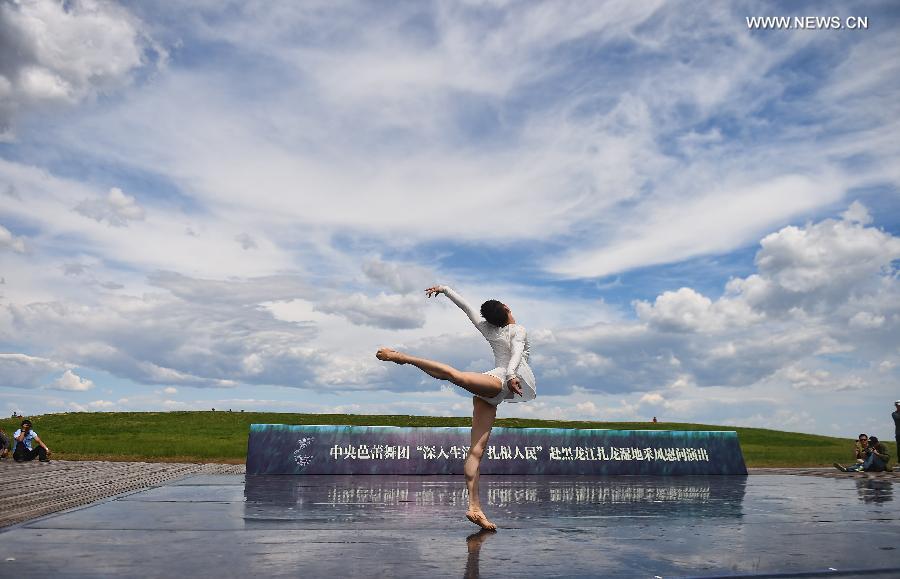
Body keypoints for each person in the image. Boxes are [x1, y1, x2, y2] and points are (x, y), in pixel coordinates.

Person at [376, 285, 536, 531]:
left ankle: (475, 507)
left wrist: (446, 290)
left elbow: (467, 309)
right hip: (498, 381)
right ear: (506, 309)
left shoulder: (489, 329)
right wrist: (512, 374)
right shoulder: (518, 329)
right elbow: (515, 353)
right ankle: (402, 357)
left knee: (477, 451)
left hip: (495, 392)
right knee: (455, 375)